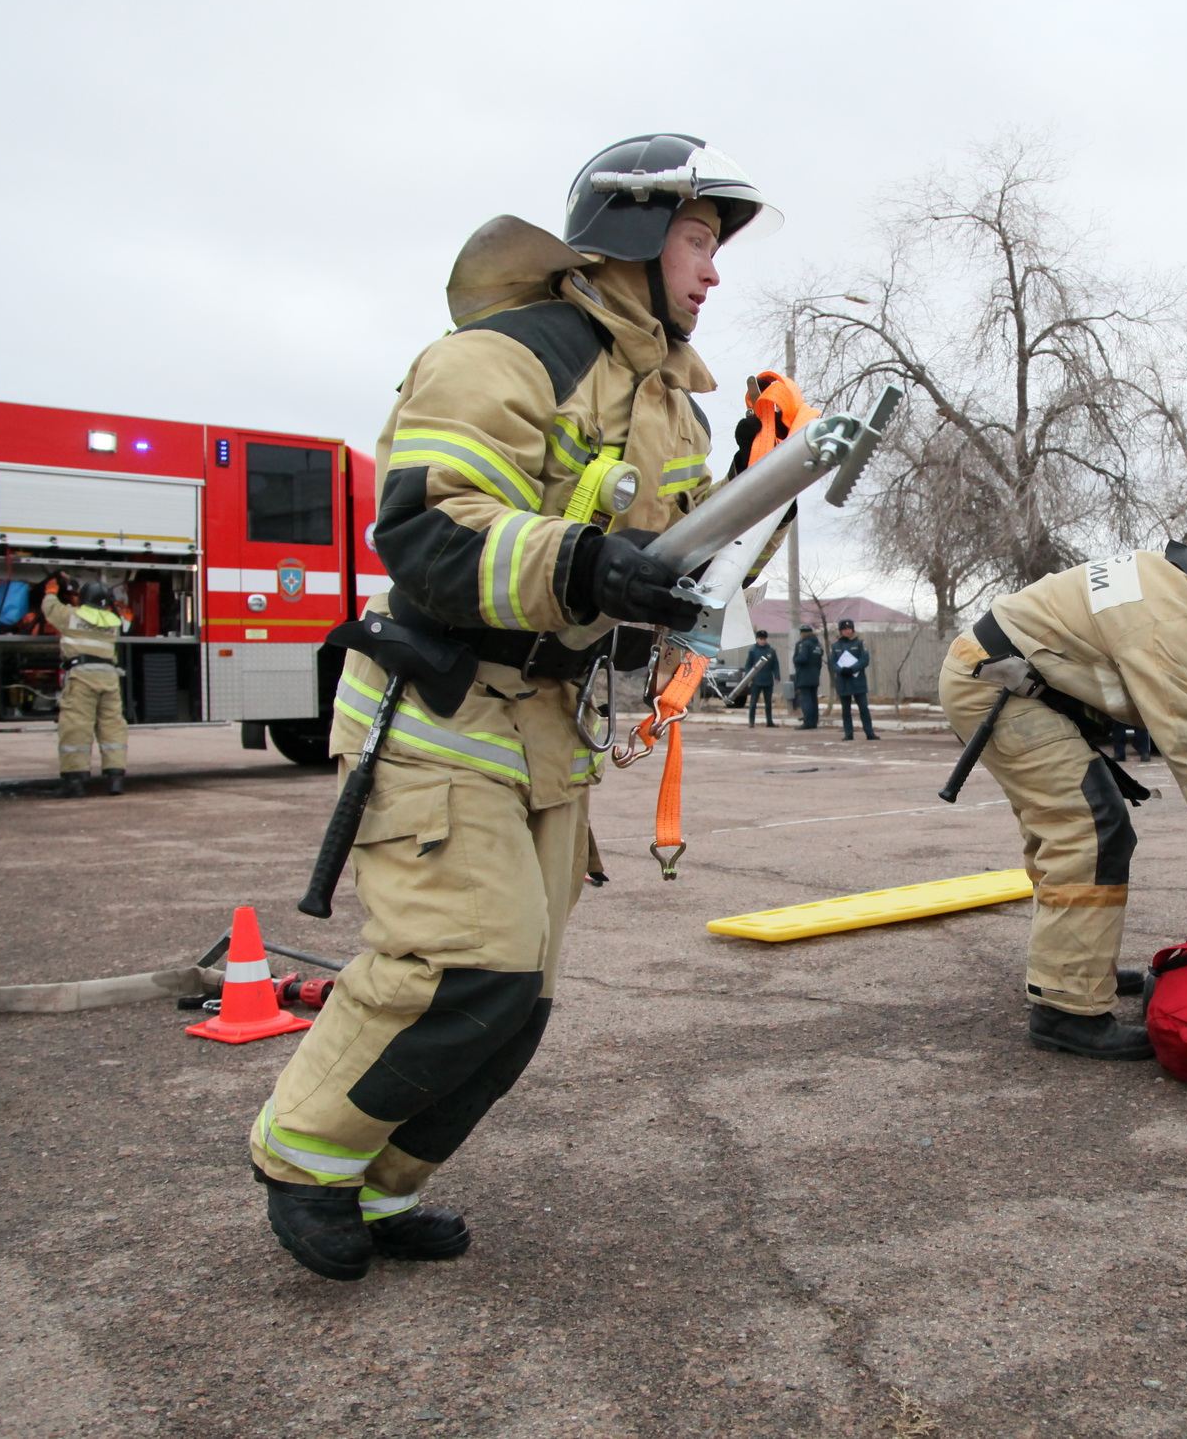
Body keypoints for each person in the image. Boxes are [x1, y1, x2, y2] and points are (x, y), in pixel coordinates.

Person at [248, 132, 775, 1281]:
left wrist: (755, 479)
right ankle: (299, 1158)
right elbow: (426, 525)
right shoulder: (505, 354)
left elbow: (669, 575)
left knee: (514, 1004)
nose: (714, 271)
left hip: (549, 736)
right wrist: (587, 562)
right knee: (458, 968)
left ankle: (380, 1191)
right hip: (444, 716)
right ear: (634, 236)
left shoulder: (669, 406)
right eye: (697, 239)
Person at [938, 520, 1187, 1060]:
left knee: (1076, 826)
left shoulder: (1175, 589)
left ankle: (1076, 971)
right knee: (1089, 829)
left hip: (1003, 677)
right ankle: (1065, 1012)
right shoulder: (1175, 620)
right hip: (999, 688)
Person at [42, 577, 127, 797]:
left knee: (76, 726)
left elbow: (50, 609)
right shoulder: (114, 623)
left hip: (82, 678)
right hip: (109, 679)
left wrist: (51, 591)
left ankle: (74, 782)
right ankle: (115, 778)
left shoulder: (71, 616)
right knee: (112, 727)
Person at [833, 618, 876, 740]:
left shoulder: (859, 643)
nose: (848, 631)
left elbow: (864, 660)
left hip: (858, 681)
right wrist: (841, 670)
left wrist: (852, 669)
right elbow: (833, 663)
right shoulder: (835, 645)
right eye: (845, 629)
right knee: (845, 710)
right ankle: (848, 733)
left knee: (863, 708)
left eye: (849, 628)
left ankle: (869, 732)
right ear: (841, 631)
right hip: (843, 681)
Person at [742, 629, 780, 727]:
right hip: (756, 680)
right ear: (757, 639)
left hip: (768, 680)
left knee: (768, 703)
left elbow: (775, 665)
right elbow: (748, 665)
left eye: (764, 639)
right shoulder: (753, 651)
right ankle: (751, 722)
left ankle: (769, 722)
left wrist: (777, 676)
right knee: (753, 702)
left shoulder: (771, 651)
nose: (762, 641)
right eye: (760, 639)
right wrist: (748, 677)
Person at [791, 623, 823, 729]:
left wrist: (795, 659)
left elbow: (802, 658)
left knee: (806, 699)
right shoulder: (817, 645)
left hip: (804, 675)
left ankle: (808, 722)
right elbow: (819, 661)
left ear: (803, 633)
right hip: (815, 675)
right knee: (814, 699)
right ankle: (814, 721)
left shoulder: (803, 644)